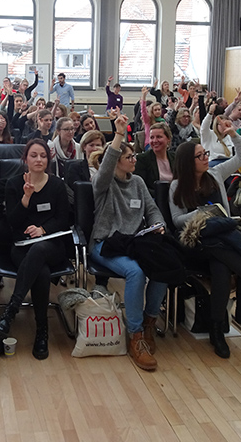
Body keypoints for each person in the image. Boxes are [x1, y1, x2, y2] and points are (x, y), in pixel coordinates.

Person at [169, 133, 241, 359]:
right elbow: (176, 220)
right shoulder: (177, 185)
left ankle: (217, 329)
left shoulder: (216, 173)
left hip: (221, 243)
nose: (205, 158)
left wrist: (233, 133)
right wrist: (202, 215)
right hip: (195, 244)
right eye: (200, 156)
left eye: (205, 154)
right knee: (218, 245)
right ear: (187, 162)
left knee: (220, 265)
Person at [89, 114, 167, 371]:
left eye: (134, 156)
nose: (135, 160)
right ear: (116, 162)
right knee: (136, 272)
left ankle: (148, 321)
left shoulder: (139, 182)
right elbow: (106, 164)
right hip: (106, 243)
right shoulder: (104, 182)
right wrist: (119, 135)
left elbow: (152, 209)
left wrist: (158, 225)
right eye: (129, 157)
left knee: (163, 265)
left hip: (135, 242)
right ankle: (135, 335)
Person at [0, 139, 72, 360]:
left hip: (52, 246)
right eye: (34, 155)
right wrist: (26, 197)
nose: (39, 160)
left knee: (40, 252)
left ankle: (11, 310)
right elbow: (12, 222)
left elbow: (63, 219)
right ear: (25, 159)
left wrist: (43, 229)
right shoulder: (13, 183)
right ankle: (42, 330)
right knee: (42, 272)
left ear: (48, 159)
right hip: (21, 246)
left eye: (43, 156)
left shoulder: (57, 184)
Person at [134, 122, 175, 197]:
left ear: (168, 139)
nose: (155, 141)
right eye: (152, 137)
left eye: (159, 137)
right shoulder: (142, 159)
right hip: (154, 200)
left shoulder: (175, 157)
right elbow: (140, 187)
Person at [64, 130, 105, 204]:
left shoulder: (106, 167)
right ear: (84, 147)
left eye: (98, 145)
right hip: (86, 204)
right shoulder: (75, 167)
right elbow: (78, 192)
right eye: (91, 145)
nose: (95, 148)